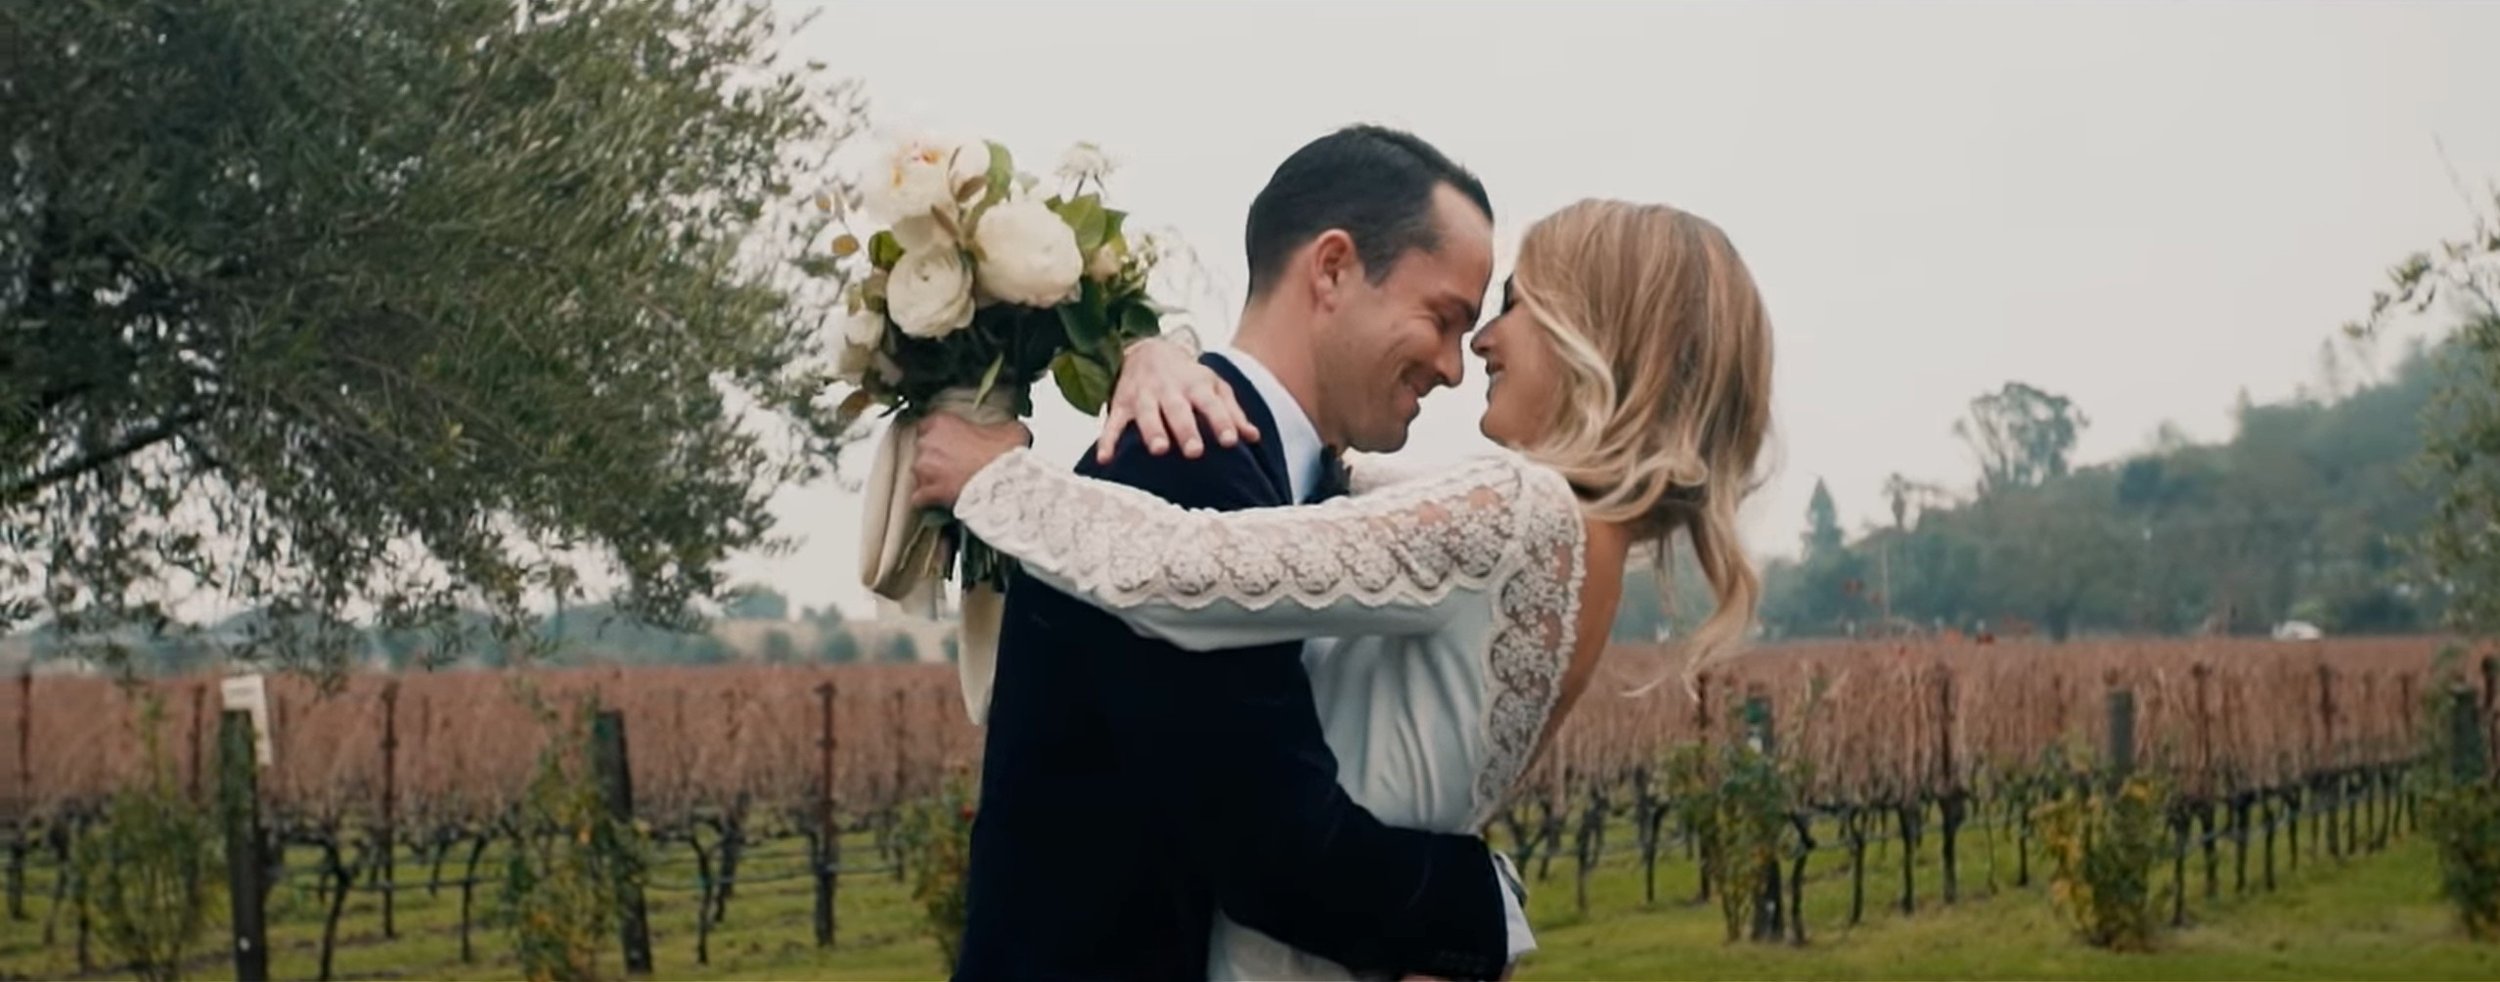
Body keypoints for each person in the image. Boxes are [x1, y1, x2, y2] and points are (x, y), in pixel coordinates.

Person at [913, 192, 1777, 980]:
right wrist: (1160, 357)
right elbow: (1330, 478)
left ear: (1596, 332)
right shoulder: (1587, 553)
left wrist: (997, 483)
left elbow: (1194, 571)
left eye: (1514, 305)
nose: (1478, 345)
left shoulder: (1521, 510)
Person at [939, 124, 1528, 982]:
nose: (1451, 367)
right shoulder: (1182, 457)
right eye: (1442, 320)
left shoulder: (1302, 484)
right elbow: (1270, 846)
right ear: (1331, 269)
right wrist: (1488, 909)